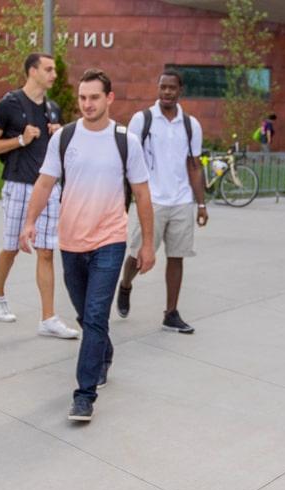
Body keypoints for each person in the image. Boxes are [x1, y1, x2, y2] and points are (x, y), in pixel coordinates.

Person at [21, 68, 155, 423]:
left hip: (110, 240)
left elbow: (142, 194)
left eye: (94, 97)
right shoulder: (64, 138)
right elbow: (45, 183)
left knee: (96, 315)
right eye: (82, 97)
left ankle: (84, 395)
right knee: (85, 315)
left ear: (109, 99)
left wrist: (148, 245)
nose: (87, 104)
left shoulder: (125, 140)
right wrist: (30, 222)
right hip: (71, 241)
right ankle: (104, 352)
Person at [0, 52, 79, 339]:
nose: (54, 74)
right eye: (48, 69)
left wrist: (60, 133)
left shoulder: (53, 109)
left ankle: (48, 318)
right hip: (18, 184)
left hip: (48, 187)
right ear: (32, 71)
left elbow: (62, 151)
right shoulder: (9, 104)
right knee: (12, 247)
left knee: (47, 251)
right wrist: (21, 139)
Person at [117, 69, 207, 333]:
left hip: (181, 200)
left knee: (177, 256)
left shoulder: (191, 125)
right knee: (137, 254)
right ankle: (125, 285)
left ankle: (171, 313)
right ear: (158, 89)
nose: (167, 92)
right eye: (163, 87)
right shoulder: (142, 120)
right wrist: (125, 200)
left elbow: (194, 165)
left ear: (180, 90)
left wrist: (201, 204)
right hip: (150, 199)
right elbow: (128, 163)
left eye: (172, 88)